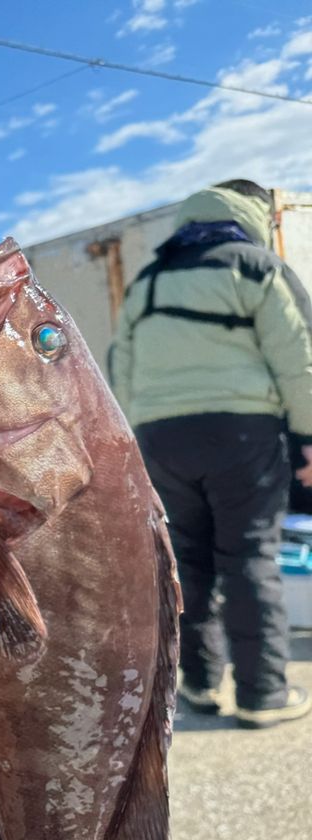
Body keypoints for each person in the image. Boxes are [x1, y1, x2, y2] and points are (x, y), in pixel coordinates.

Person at [110, 179, 312, 729]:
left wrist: (138, 445)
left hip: (160, 438)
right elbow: (300, 361)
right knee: (247, 556)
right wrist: (309, 439)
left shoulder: (147, 281)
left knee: (188, 562)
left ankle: (198, 685)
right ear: (249, 214)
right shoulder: (256, 266)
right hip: (242, 433)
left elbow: (120, 369)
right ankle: (263, 692)